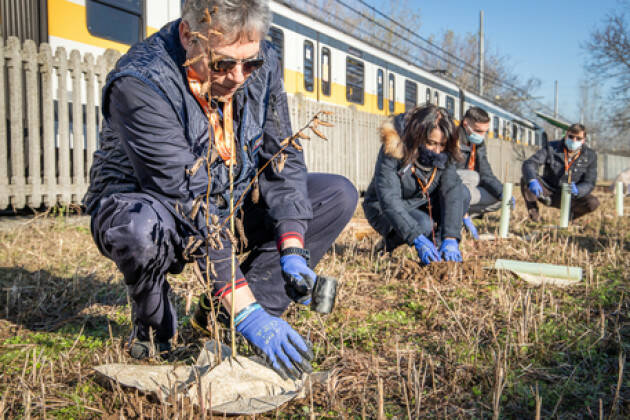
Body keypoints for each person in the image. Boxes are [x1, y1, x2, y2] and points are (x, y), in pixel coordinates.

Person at [83, 0, 358, 379]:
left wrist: (293, 247)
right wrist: (248, 314)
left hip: (229, 196)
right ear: (186, 34)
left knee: (336, 194)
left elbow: (282, 157)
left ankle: (222, 316)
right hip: (154, 204)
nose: (239, 76)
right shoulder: (140, 81)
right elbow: (187, 199)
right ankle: (156, 329)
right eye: (222, 63)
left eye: (251, 62)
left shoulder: (263, 63)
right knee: (139, 231)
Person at [363, 105, 469, 265]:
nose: (437, 151)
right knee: (423, 224)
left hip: (420, 203)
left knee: (463, 193)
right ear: (418, 135)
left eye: (442, 145)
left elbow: (452, 191)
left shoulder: (444, 154)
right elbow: (389, 200)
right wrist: (417, 238)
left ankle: (439, 252)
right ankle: (388, 245)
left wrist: (451, 237)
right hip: (383, 207)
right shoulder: (394, 147)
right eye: (432, 143)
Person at [455, 107, 514, 239]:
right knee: (473, 177)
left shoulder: (478, 143)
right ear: (465, 124)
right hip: (451, 189)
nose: (481, 135)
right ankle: (456, 215)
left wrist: (502, 192)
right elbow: (447, 176)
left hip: (465, 190)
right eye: (478, 131)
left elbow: (486, 173)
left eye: (485, 132)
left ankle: (461, 212)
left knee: (499, 200)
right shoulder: (452, 139)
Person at [521, 123, 599, 222]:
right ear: (566, 135)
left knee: (593, 203)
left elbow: (590, 182)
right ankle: (535, 217)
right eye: (571, 137)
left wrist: (579, 190)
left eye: (578, 138)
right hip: (548, 191)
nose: (574, 140)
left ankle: (568, 218)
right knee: (525, 179)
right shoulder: (551, 148)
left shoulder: (590, 156)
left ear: (583, 140)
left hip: (571, 195)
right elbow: (530, 163)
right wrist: (532, 180)